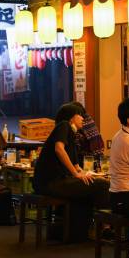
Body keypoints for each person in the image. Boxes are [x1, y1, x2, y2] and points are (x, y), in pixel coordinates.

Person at [33, 103, 109, 241]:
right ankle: (105, 227)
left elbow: (77, 166)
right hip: (50, 182)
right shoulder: (64, 125)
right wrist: (76, 174)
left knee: (96, 183)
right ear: (72, 117)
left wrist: (87, 174)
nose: (83, 118)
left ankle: (81, 232)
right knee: (102, 186)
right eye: (80, 115)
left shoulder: (73, 135)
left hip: (57, 181)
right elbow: (59, 149)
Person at [69, 101, 105, 165]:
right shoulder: (89, 120)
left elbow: (75, 147)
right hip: (99, 159)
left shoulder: (79, 124)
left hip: (87, 161)